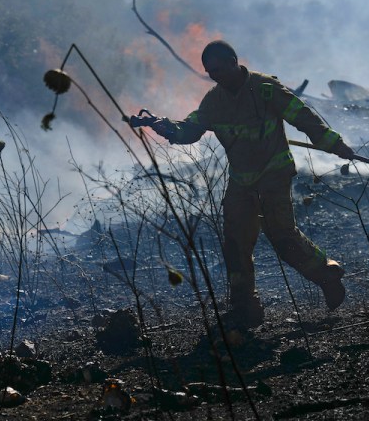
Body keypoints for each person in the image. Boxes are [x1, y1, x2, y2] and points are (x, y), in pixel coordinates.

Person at [149, 40, 355, 329]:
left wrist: (335, 144)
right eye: (210, 72)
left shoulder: (265, 89)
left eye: (219, 69)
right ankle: (245, 308)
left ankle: (328, 277)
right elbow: (191, 128)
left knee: (283, 237)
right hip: (241, 181)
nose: (215, 76)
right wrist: (168, 128)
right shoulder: (214, 101)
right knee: (235, 244)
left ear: (234, 61)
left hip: (274, 174)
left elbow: (303, 116)